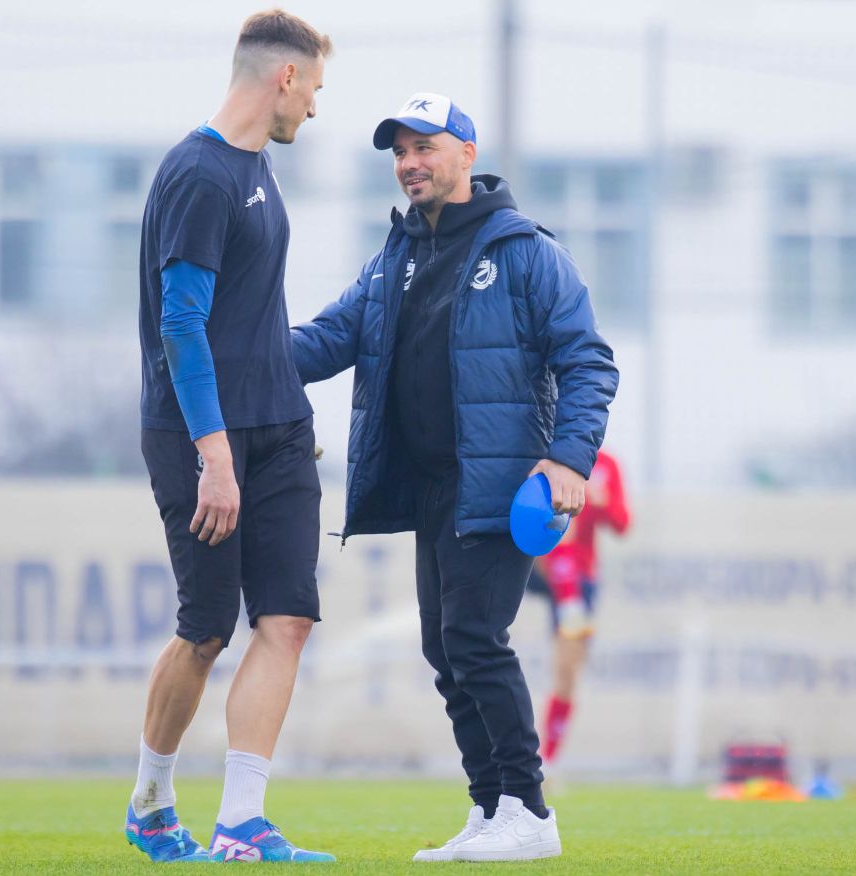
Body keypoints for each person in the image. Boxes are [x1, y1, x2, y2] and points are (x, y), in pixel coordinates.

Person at [291, 93, 618, 863]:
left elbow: (588, 361)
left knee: (474, 639)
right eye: (400, 152)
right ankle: (492, 805)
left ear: (467, 154)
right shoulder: (395, 259)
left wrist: (569, 459)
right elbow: (329, 337)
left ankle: (529, 812)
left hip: (501, 486)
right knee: (446, 650)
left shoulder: (526, 251)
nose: (409, 164)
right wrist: (239, 356)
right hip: (433, 488)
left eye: (425, 147)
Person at [128, 9, 334, 864]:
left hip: (278, 429)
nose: (315, 107)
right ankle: (150, 803)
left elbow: (252, 315)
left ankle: (241, 822)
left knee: (288, 619)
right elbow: (182, 325)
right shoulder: (200, 175)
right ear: (284, 77)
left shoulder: (257, 168)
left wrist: (281, 400)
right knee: (207, 628)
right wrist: (214, 454)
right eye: (313, 88)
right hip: (200, 437)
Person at [525, 448, 629, 769]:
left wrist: (600, 501)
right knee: (560, 524)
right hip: (538, 563)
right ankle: (569, 603)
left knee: (567, 672)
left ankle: (548, 759)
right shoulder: (541, 453)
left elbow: (622, 523)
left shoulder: (607, 465)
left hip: (580, 577)